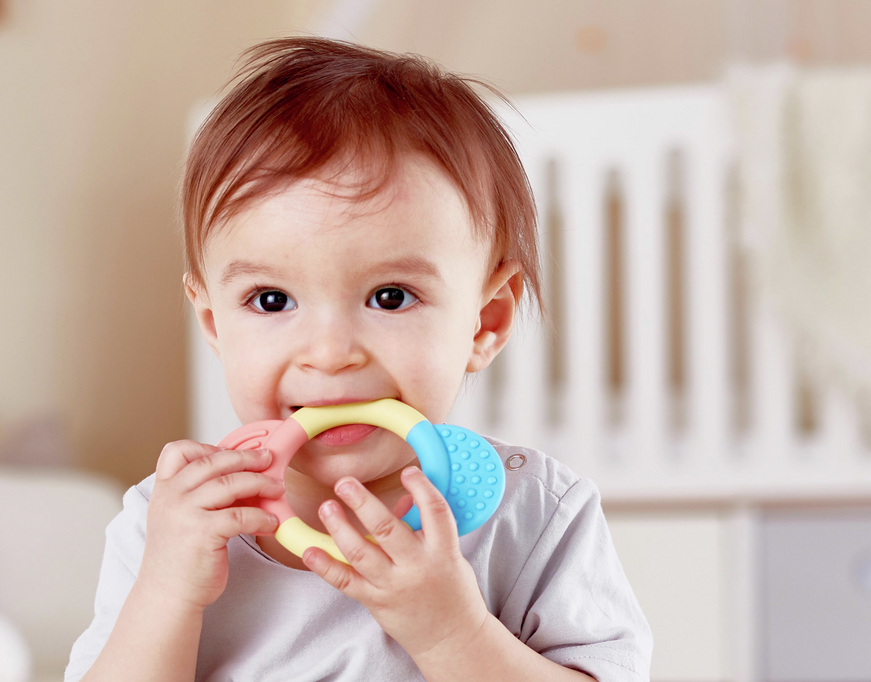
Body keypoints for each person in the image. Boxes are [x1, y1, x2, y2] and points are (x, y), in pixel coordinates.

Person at [66, 37, 652, 682]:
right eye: (270, 299)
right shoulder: (172, 522)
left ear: (485, 321)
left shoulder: (534, 514)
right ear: (213, 323)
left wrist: (451, 632)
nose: (331, 354)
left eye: (390, 297)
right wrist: (166, 594)